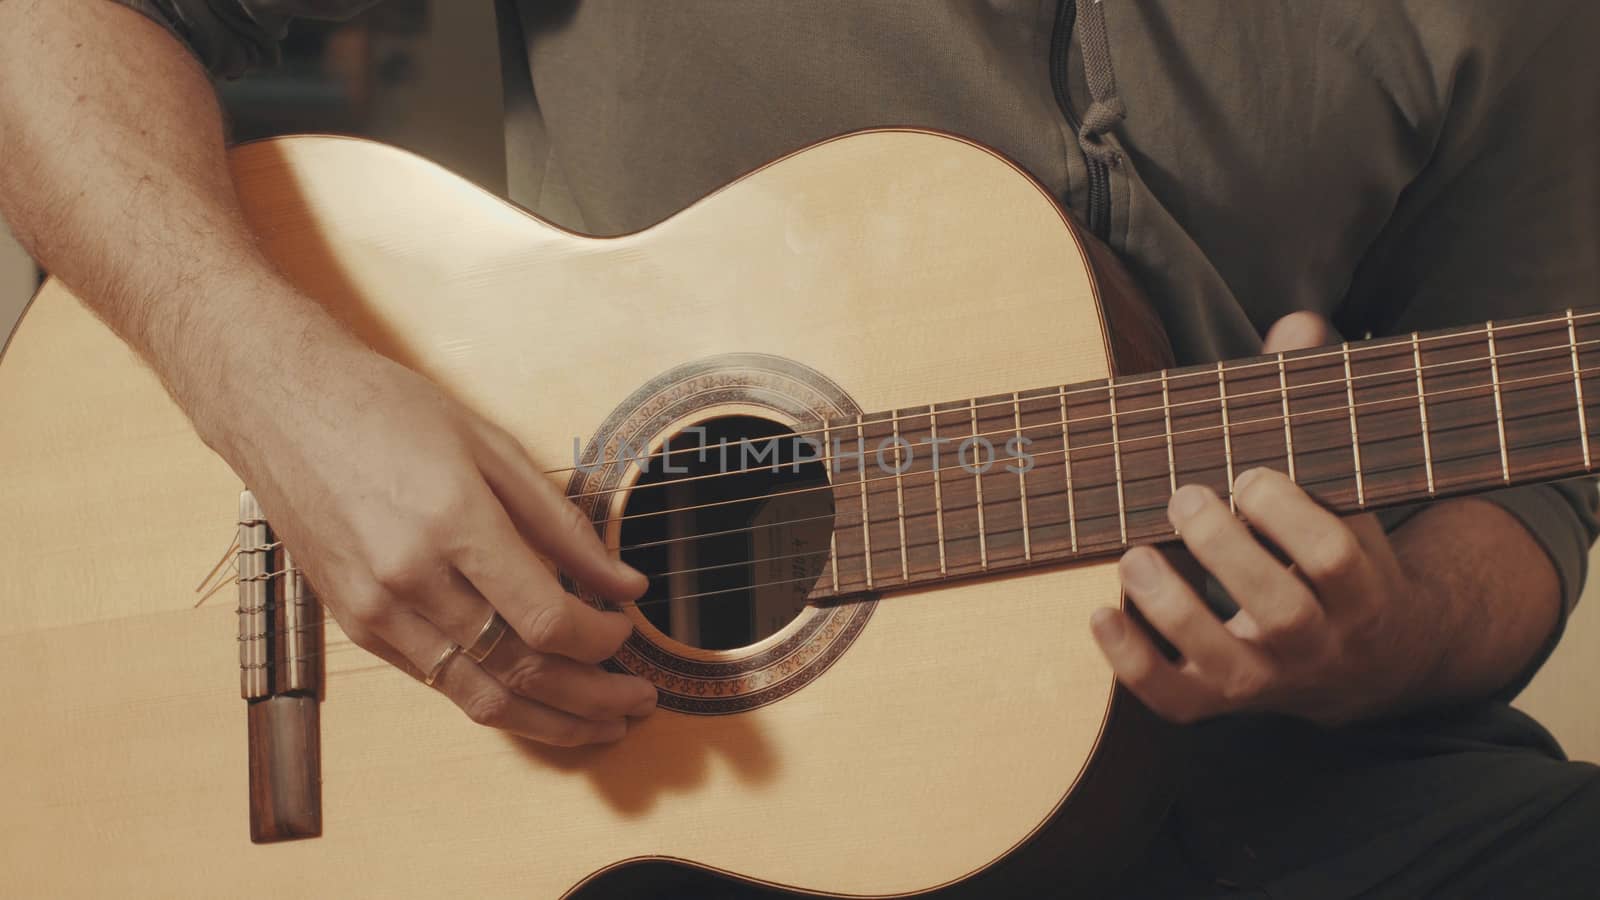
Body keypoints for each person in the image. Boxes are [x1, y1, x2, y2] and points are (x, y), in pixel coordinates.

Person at [1, 1, 1597, 896]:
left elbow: (1530, 488)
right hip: (651, 801)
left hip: (1292, 791)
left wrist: (1378, 637)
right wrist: (278, 391)